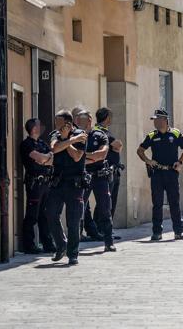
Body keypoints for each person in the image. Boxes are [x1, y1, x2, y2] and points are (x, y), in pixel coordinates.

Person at [137, 109, 183, 241]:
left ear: (164, 120)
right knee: (157, 203)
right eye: (154, 120)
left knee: (174, 203)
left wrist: (180, 162)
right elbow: (140, 150)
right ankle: (157, 232)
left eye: (156, 119)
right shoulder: (151, 136)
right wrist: (148, 161)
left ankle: (179, 231)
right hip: (157, 173)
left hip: (171, 173)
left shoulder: (175, 133)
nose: (154, 122)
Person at [46, 110, 88, 265]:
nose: (56, 125)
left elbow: (77, 156)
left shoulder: (81, 134)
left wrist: (66, 140)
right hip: (57, 183)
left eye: (58, 122)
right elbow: (54, 149)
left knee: (73, 220)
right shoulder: (55, 134)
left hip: (75, 184)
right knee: (50, 213)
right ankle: (61, 245)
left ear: (68, 123)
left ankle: (73, 254)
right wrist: (68, 139)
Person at [77, 110, 116, 252]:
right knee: (78, 209)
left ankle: (108, 241)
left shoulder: (99, 135)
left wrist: (83, 157)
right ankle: (76, 243)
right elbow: (74, 157)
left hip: (100, 177)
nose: (79, 122)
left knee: (105, 209)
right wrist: (90, 157)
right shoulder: (75, 137)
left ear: (89, 120)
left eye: (82, 119)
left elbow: (102, 155)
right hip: (83, 176)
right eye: (77, 119)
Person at [20, 118, 56, 254]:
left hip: (46, 183)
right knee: (32, 215)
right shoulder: (26, 144)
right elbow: (40, 158)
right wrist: (44, 159)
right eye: (39, 125)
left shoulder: (41, 143)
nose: (41, 128)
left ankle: (47, 244)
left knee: (44, 215)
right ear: (34, 128)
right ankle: (29, 245)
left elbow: (52, 159)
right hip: (35, 183)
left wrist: (44, 159)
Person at [94, 107, 124, 219]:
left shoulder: (104, 131)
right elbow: (119, 145)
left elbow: (117, 147)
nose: (111, 119)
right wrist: (116, 146)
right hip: (107, 172)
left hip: (113, 171)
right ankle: (101, 230)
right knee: (105, 203)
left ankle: (107, 230)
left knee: (110, 202)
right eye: (110, 117)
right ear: (107, 118)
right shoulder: (101, 132)